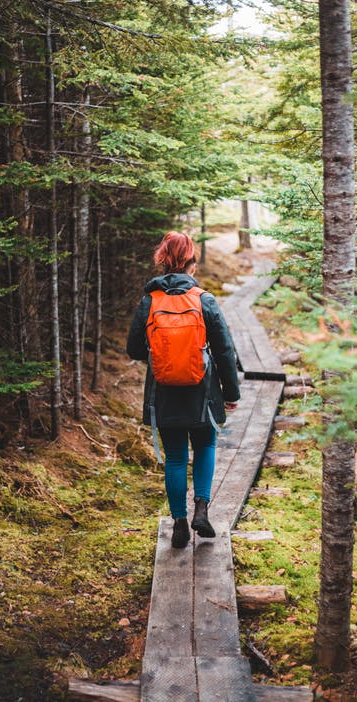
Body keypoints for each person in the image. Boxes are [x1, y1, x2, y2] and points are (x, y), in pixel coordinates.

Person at [127, 231, 240, 548]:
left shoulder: (151, 300)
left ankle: (178, 522)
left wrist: (161, 351)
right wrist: (231, 394)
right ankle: (201, 510)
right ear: (192, 261)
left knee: (175, 458)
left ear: (163, 260)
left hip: (164, 393)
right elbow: (224, 351)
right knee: (205, 446)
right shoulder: (204, 300)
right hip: (202, 393)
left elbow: (134, 349)